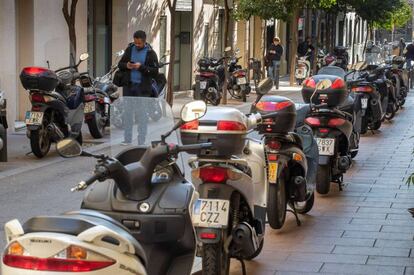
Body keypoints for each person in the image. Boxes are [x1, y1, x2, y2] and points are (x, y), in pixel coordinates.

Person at [118, 30, 159, 145]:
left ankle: (141, 140)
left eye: (139, 43)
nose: (137, 45)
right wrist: (127, 65)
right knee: (127, 114)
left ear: (144, 41)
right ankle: (127, 139)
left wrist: (141, 67)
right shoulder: (130, 49)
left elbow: (155, 71)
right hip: (129, 86)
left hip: (143, 88)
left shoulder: (151, 53)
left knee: (142, 115)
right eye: (135, 43)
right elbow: (120, 65)